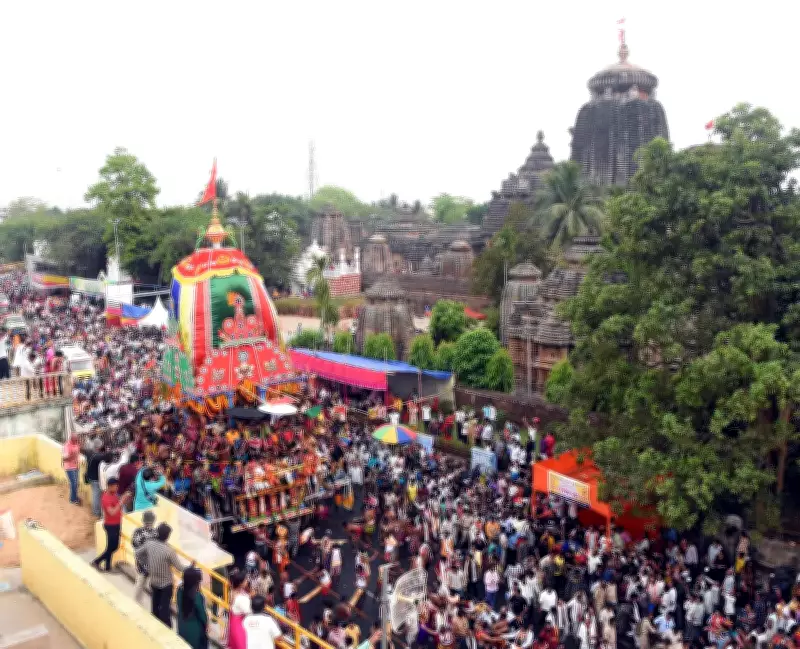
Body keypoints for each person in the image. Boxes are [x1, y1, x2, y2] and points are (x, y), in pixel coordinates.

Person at [135, 522, 186, 627]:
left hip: (154, 582)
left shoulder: (149, 544)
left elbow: (137, 553)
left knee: (155, 608)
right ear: (167, 536)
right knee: (165, 611)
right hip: (166, 584)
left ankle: (155, 626)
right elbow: (179, 567)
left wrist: (146, 564)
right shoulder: (169, 551)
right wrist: (191, 568)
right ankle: (167, 629)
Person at [92, 478, 131, 571]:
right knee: (111, 547)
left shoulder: (114, 495)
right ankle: (97, 562)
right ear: (110, 486)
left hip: (116, 523)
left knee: (113, 546)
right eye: (115, 486)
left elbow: (118, 506)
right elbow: (112, 512)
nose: (117, 488)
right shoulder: (106, 498)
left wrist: (124, 499)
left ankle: (107, 567)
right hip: (110, 525)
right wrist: (121, 501)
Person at [177, 566, 208, 649]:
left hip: (182, 626)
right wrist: (206, 624)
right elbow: (202, 615)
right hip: (195, 631)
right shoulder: (197, 596)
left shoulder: (179, 590)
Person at [132, 510, 159, 604]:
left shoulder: (138, 532)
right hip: (153, 564)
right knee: (155, 586)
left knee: (139, 584)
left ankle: (136, 603)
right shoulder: (156, 533)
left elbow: (135, 546)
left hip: (141, 564)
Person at [61, 434, 81, 505]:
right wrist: (72, 456)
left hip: (76, 466)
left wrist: (78, 464)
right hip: (69, 468)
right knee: (74, 483)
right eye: (75, 440)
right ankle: (73, 499)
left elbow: (78, 454)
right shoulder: (66, 446)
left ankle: (74, 497)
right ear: (71, 439)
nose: (76, 441)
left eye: (77, 440)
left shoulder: (77, 444)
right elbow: (64, 459)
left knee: (76, 484)